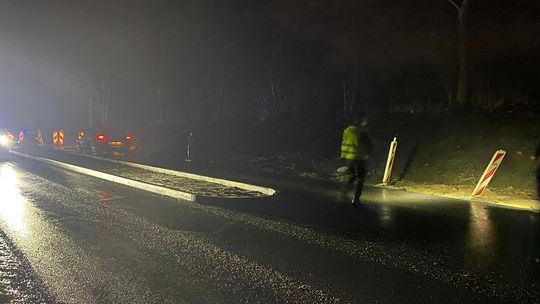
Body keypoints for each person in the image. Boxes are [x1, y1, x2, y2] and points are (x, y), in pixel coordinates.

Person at [340, 112, 373, 208]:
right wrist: (370, 152)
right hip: (359, 158)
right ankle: (356, 199)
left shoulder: (347, 131)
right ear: (360, 121)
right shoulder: (361, 131)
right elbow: (369, 145)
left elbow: (344, 144)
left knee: (352, 176)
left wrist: (343, 156)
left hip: (349, 158)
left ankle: (344, 192)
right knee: (360, 178)